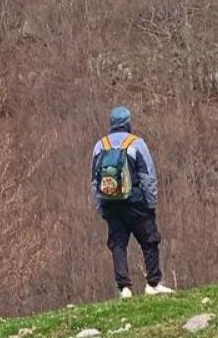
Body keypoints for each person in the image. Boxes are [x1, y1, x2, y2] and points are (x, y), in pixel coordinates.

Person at [91, 105, 171, 298]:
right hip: (135, 202)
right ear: (128, 123)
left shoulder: (100, 146)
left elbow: (95, 180)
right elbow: (147, 176)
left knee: (118, 244)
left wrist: (101, 206)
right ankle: (153, 283)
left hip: (110, 203)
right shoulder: (136, 144)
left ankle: (124, 288)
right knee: (149, 241)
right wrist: (150, 203)